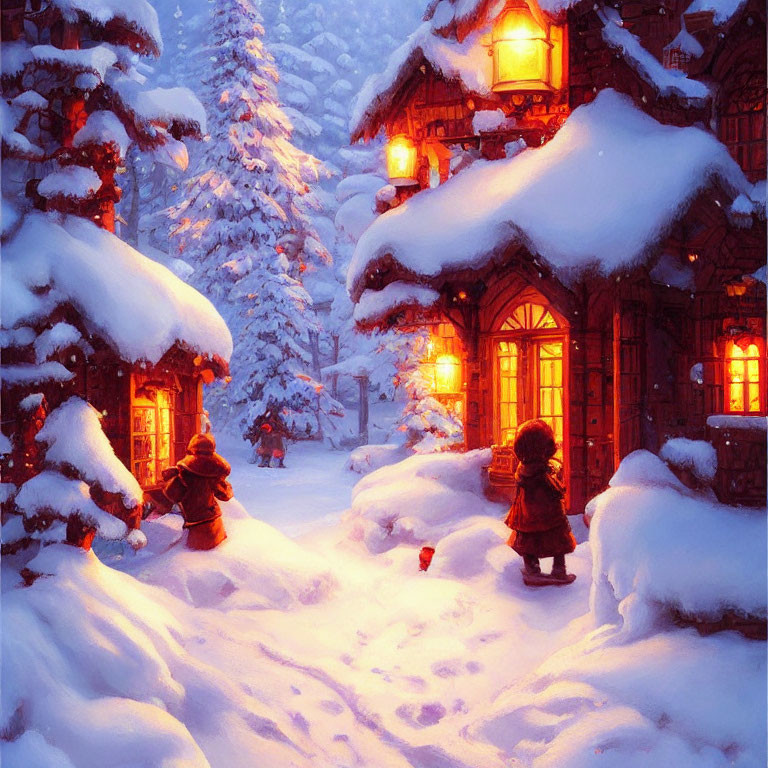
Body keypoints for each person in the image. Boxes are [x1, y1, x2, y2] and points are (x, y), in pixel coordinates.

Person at [504, 419, 576, 585]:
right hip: (547, 513)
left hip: (526, 514)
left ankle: (533, 569)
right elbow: (555, 490)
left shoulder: (524, 467)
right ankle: (558, 570)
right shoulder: (540, 471)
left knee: (529, 541)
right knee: (557, 539)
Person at [161, 433, 232, 550]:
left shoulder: (184, 472)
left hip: (194, 525)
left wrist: (173, 476)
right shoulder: (214, 470)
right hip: (214, 524)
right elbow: (226, 495)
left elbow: (172, 494)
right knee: (214, 556)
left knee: (195, 556)